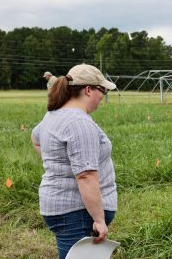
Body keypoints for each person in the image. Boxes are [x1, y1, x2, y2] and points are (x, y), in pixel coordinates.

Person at [31, 64, 117, 259]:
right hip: (77, 212)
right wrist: (99, 219)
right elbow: (86, 175)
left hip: (63, 208)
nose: (102, 97)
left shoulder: (54, 115)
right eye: (102, 90)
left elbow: (35, 138)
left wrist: (59, 165)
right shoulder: (79, 123)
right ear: (88, 90)